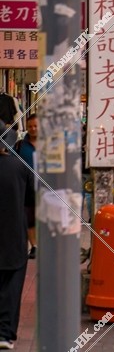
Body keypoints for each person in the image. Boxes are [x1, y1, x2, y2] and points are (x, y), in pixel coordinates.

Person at [0, 124, 34, 350]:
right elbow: (32, 201)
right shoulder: (19, 167)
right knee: (11, 286)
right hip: (13, 234)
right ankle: (4, 334)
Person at [14, 117, 35, 259]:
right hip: (26, 186)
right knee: (29, 218)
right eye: (30, 126)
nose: (33, 129)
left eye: (36, 126)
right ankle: (34, 246)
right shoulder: (21, 145)